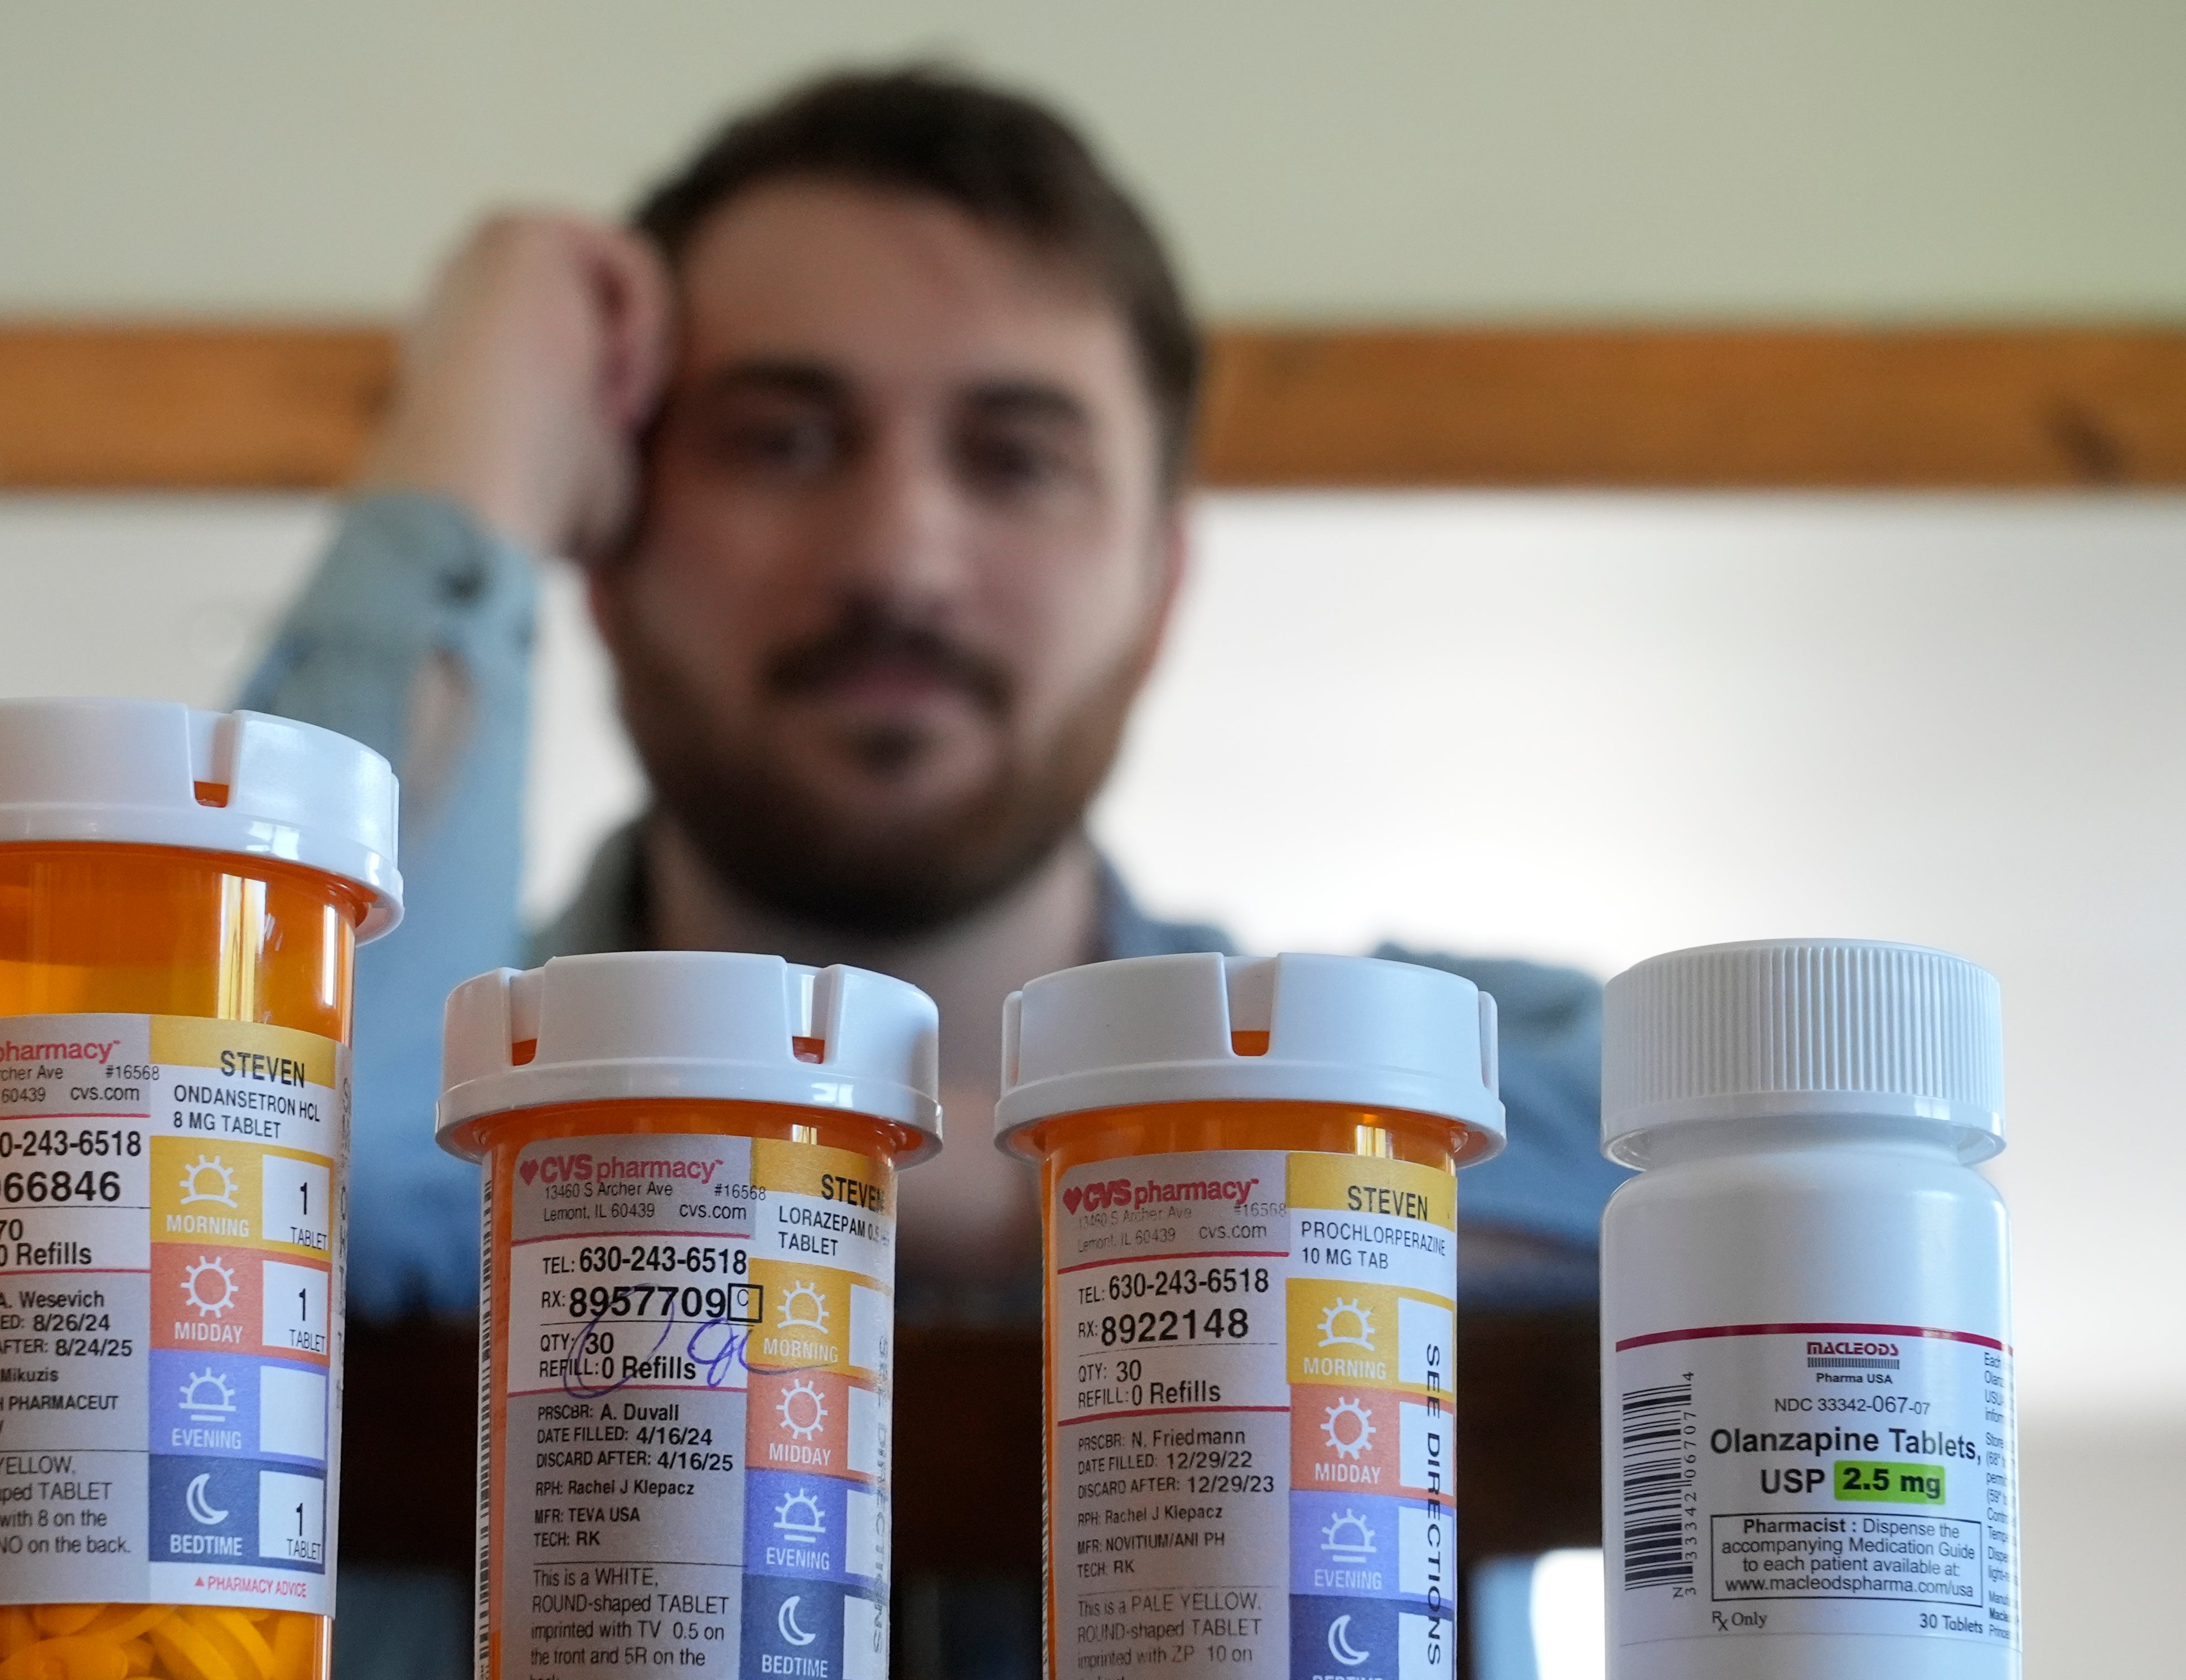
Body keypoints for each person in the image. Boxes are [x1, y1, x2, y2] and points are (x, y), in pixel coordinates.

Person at [239, 65, 1623, 1678]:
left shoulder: (1488, 1090)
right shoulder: (409, 1106)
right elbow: (214, 1140)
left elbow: (1761, 1210)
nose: (897, 553)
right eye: (781, 441)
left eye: (1017, 457)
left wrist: (1017, 1172)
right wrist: (460, 471)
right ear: (606, 553)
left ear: (1159, 585)